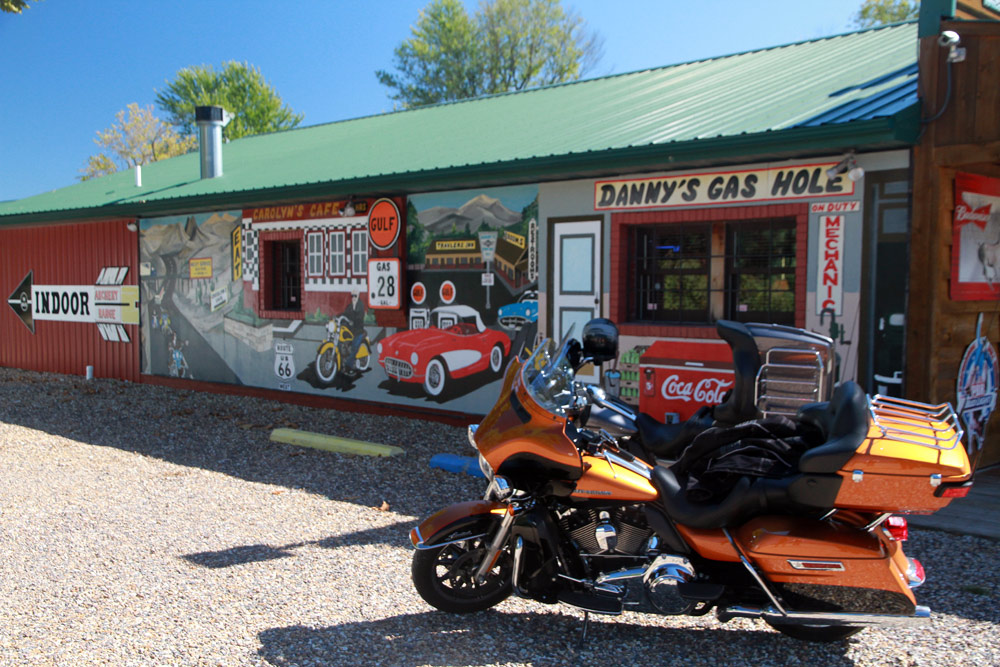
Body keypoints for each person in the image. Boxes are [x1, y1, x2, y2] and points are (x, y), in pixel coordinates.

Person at [342, 290, 367, 374]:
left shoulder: (360, 305)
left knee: (354, 348)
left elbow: (359, 317)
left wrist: (352, 320)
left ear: (358, 296)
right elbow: (345, 314)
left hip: (358, 331)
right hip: (351, 330)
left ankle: (348, 367)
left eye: (355, 296)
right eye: (352, 296)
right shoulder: (350, 306)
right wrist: (337, 317)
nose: (353, 297)